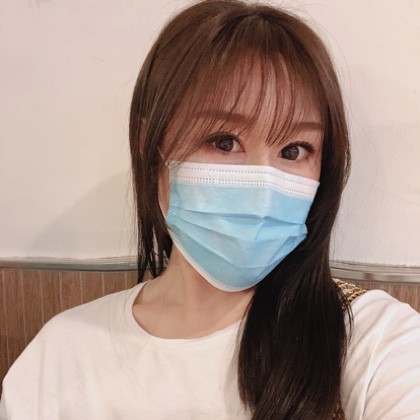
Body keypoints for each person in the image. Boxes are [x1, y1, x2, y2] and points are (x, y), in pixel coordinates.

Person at [1, 0, 420, 418]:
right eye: (223, 141)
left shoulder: (373, 339)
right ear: (151, 149)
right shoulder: (59, 354)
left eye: (294, 150)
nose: (262, 188)